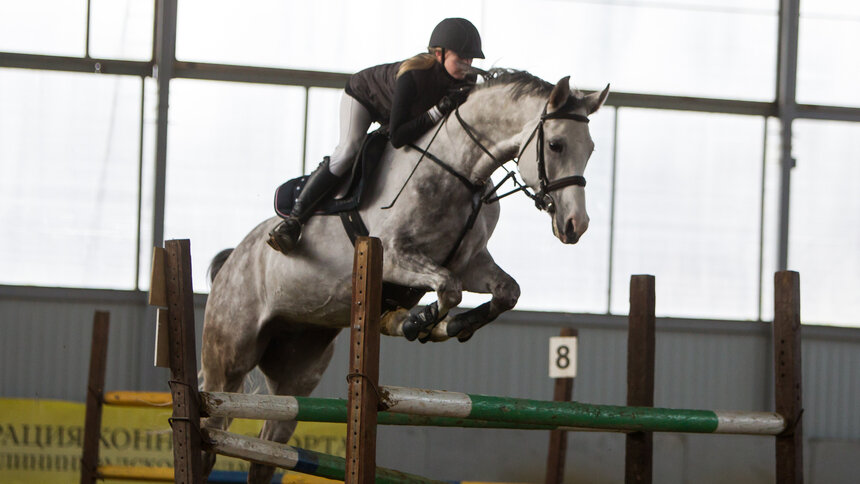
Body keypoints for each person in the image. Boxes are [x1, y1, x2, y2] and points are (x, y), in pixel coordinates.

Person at [267, 17, 484, 254]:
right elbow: (399, 136)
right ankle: (294, 221)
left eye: (470, 59)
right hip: (364, 97)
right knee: (348, 151)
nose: (467, 64)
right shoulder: (413, 75)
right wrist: (438, 110)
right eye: (460, 58)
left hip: (399, 113)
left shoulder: (467, 80)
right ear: (439, 54)